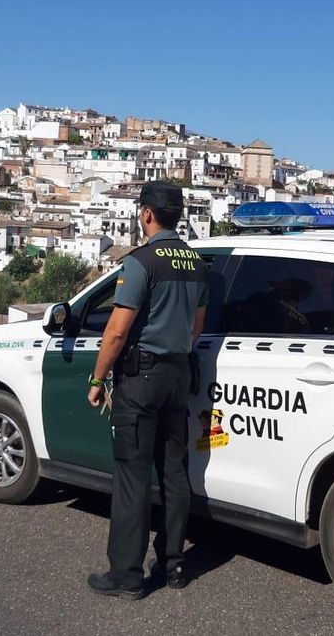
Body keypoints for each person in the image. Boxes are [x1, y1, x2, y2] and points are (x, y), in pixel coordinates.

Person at [85, 181, 208, 599]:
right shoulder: (196, 263)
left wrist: (98, 379)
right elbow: (196, 328)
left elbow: (117, 333)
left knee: (133, 476)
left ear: (147, 214)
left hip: (141, 380)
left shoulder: (141, 261)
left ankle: (127, 575)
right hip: (178, 376)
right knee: (174, 473)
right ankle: (174, 565)